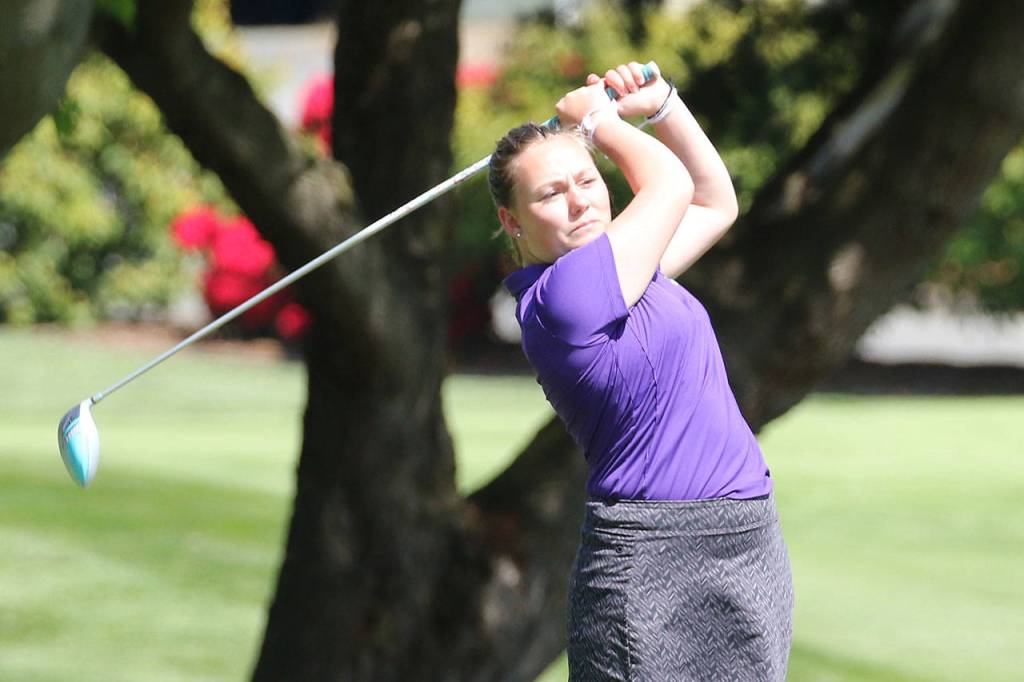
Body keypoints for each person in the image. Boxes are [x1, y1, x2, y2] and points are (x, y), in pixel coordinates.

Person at [488, 62, 793, 681]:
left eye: (586, 178)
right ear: (513, 221)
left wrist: (662, 106)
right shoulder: (562, 301)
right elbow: (669, 184)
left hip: (745, 537)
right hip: (653, 560)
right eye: (549, 193)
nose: (578, 200)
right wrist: (597, 123)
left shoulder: (631, 274)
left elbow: (713, 201)